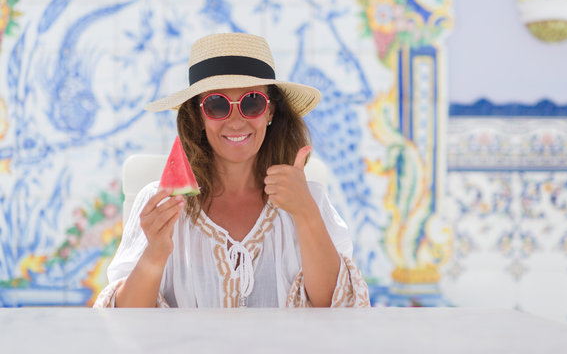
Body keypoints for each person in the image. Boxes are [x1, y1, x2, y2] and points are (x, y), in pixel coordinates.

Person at [94, 33, 369, 308]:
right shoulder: (161, 202)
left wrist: (306, 213)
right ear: (199, 116)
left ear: (270, 111)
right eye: (216, 105)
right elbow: (123, 323)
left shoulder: (311, 200)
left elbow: (337, 310)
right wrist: (155, 253)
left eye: (252, 103)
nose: (236, 122)